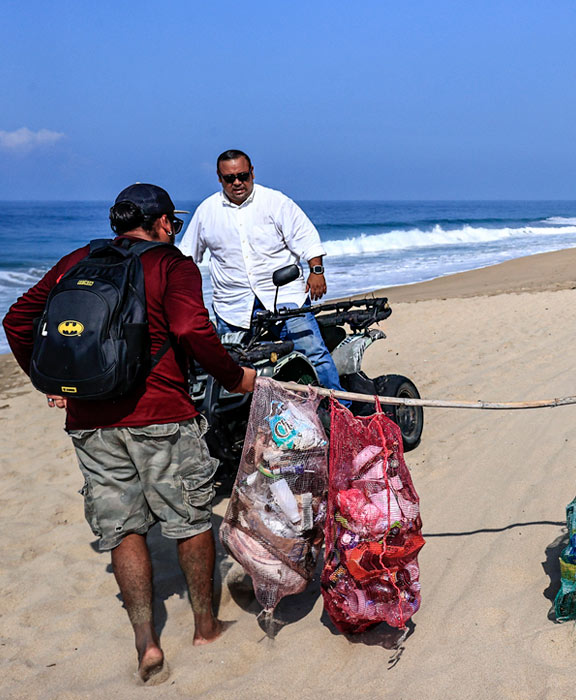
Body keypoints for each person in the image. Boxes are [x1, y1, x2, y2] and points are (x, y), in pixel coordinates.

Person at [3, 184, 257, 683]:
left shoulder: (78, 259)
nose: (174, 231)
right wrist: (234, 377)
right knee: (189, 520)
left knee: (122, 529)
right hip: (161, 413)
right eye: (173, 224)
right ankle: (205, 627)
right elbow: (189, 329)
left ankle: (147, 643)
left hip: (90, 420)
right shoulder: (171, 263)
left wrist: (50, 381)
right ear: (162, 222)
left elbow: (17, 320)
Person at [182, 149, 344, 394]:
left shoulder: (275, 202)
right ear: (219, 178)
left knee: (314, 354)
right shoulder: (207, 211)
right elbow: (187, 257)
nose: (237, 182)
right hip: (232, 305)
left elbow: (306, 238)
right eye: (229, 178)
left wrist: (317, 271)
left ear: (252, 173)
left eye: (243, 176)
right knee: (235, 368)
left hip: (285, 297)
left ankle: (339, 408)